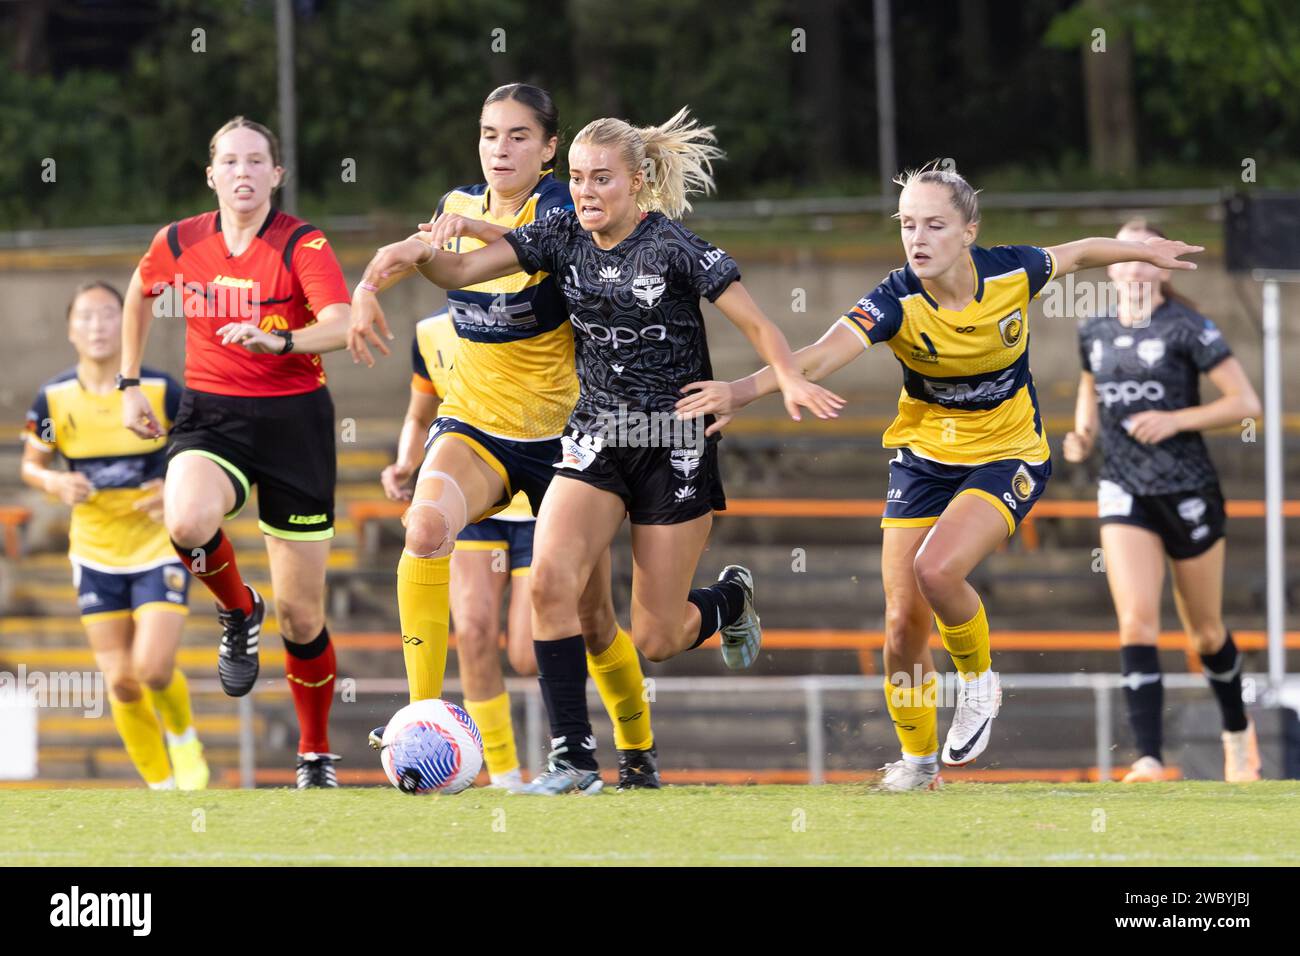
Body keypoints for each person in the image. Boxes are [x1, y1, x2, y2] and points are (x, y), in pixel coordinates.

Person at [349, 106, 842, 795]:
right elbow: (459, 274)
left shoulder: (676, 248)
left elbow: (758, 324)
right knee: (551, 582)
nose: (584, 191)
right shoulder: (557, 236)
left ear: (636, 182)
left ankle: (729, 601)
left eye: (600, 179)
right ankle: (573, 759)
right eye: (577, 177)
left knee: (657, 637)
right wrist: (418, 252)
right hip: (596, 436)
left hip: (673, 443)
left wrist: (770, 382)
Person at [692, 162, 1203, 791]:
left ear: (969, 232)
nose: (918, 238)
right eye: (908, 224)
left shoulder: (1010, 271)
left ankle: (979, 682)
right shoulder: (895, 299)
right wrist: (741, 392)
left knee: (936, 570)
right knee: (901, 625)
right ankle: (920, 764)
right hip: (924, 461)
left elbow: (1079, 254)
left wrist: (1144, 250)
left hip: (1009, 453)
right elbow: (822, 353)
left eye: (935, 224)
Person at [352, 84, 660, 789]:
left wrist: (438, 246)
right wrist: (371, 284)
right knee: (424, 528)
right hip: (479, 425)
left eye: (520, 136)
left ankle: (637, 747)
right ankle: (420, 714)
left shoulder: (564, 208)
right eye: (490, 134)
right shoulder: (454, 205)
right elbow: (421, 250)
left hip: (566, 438)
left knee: (592, 618)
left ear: (551, 149)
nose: (501, 148)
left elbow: (515, 254)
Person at [119, 116, 354, 788]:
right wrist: (130, 382)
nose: (244, 173)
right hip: (211, 416)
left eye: (257, 161)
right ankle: (237, 608)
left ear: (276, 175)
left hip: (295, 425)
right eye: (231, 161)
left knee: (304, 613)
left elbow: (338, 323)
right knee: (187, 521)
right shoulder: (180, 240)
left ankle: (314, 757)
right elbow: (141, 290)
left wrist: (280, 341)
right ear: (212, 174)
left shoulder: (302, 243)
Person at [379, 307, 657, 788]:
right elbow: (419, 412)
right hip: (480, 492)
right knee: (474, 631)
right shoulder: (429, 332)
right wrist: (407, 461)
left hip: (555, 484)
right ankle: (496, 771)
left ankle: (637, 751)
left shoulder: (550, 287)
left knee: (576, 633)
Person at [1064, 218, 1263, 783]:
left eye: (1142, 253)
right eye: (1122, 254)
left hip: (1188, 490)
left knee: (1205, 632)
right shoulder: (1093, 329)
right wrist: (1082, 436)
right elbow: (1089, 388)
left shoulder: (1188, 327)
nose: (1130, 264)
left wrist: (1175, 419)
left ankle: (1237, 733)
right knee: (1136, 623)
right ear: (1112, 264)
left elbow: (1244, 402)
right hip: (1124, 487)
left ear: (1160, 265)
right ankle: (1149, 757)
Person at [22, 281, 207, 790]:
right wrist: (54, 480)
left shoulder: (161, 390)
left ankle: (184, 735)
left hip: (156, 546)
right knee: (122, 682)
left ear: (126, 324)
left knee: (151, 668)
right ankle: (162, 787)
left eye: (108, 314)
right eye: (85, 317)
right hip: (95, 552)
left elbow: (205, 447)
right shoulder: (52, 401)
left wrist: (172, 482)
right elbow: (33, 462)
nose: (97, 326)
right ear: (69, 330)